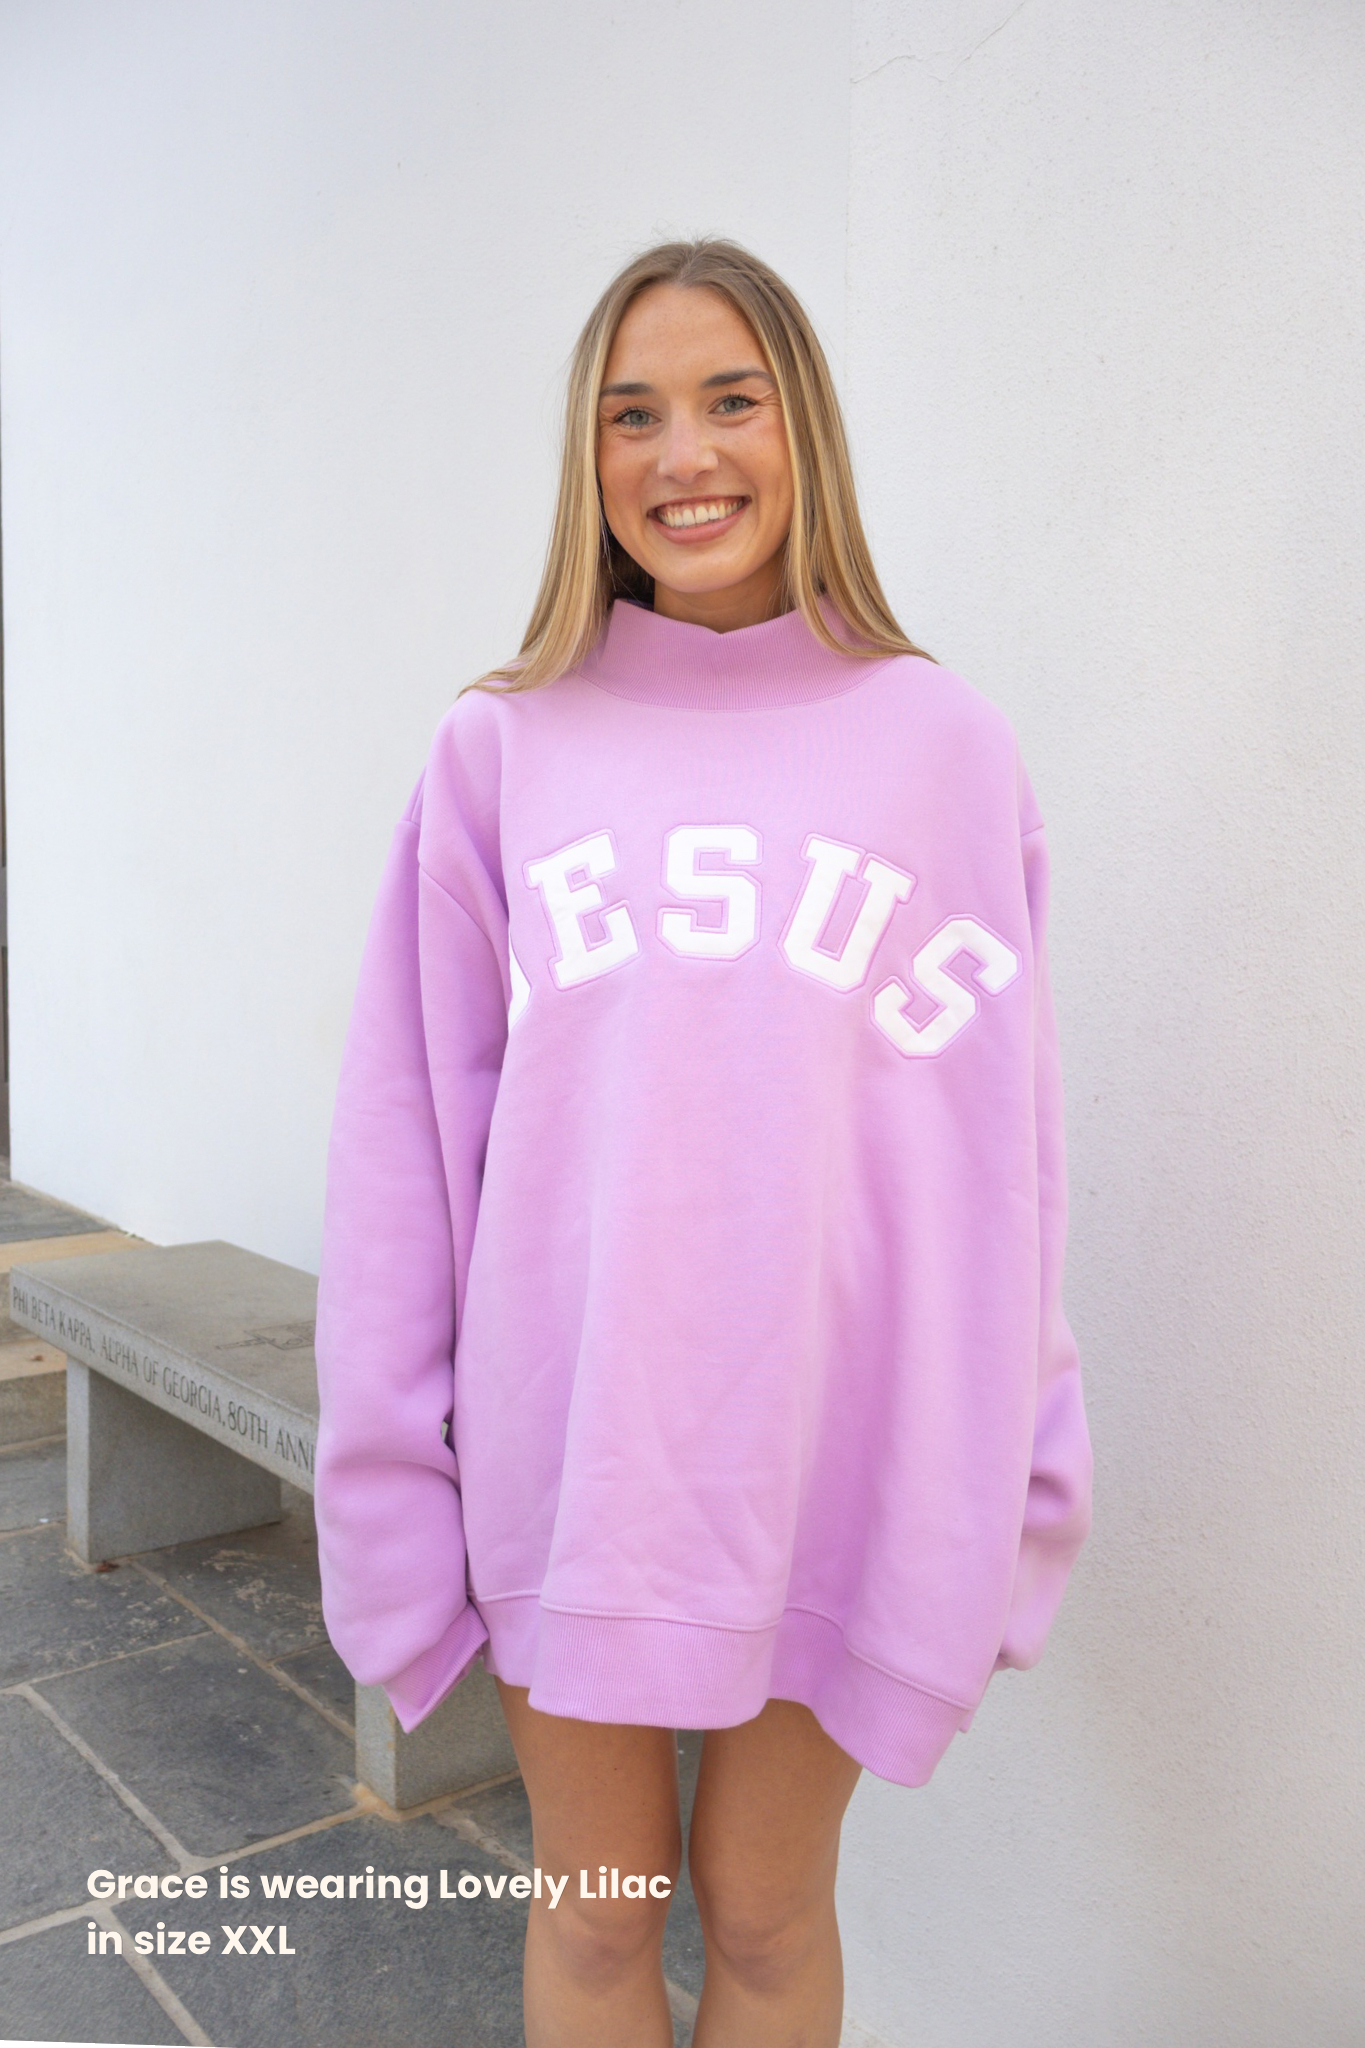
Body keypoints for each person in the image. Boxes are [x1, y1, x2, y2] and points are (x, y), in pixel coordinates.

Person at [313, 238, 1093, 2048]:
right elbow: (405, 1153)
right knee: (598, 1925)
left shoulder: (945, 748)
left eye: (730, 400)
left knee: (766, 1910)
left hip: (843, 1466)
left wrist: (1026, 1462)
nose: (685, 456)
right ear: (586, 460)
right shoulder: (502, 750)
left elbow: (1004, 1163)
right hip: (574, 1462)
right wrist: (385, 1486)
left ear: (801, 425)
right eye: (632, 415)